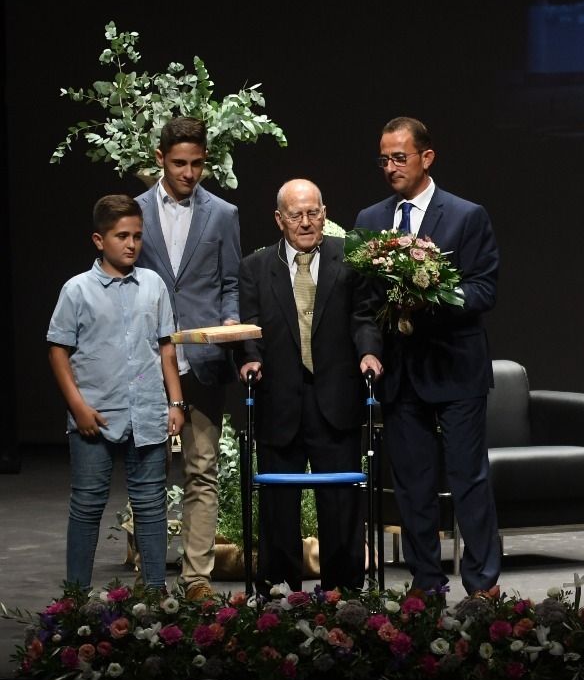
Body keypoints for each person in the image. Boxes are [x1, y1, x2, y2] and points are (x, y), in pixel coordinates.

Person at [354, 117, 502, 596]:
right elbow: (366, 305)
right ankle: (427, 583)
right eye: (384, 158)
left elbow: (484, 289)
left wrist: (434, 295)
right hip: (402, 375)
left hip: (455, 367)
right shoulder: (371, 221)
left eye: (400, 157)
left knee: (468, 479)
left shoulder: (465, 215)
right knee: (413, 487)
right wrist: (371, 352)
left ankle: (482, 585)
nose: (390, 167)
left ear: (426, 158)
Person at [238, 180, 384, 592]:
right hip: (277, 398)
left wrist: (369, 353)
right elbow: (248, 327)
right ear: (279, 219)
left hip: (334, 398)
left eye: (313, 213)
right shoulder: (255, 266)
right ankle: (280, 586)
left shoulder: (350, 260)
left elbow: (364, 318)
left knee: (340, 504)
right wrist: (248, 357)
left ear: (324, 213)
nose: (306, 223)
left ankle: (345, 588)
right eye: (296, 215)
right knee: (277, 505)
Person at [46, 195, 186, 591]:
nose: (130, 244)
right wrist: (78, 407)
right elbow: (59, 350)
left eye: (137, 236)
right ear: (98, 239)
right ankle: (75, 599)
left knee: (151, 506)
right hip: (96, 413)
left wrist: (175, 402)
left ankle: (158, 594)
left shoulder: (153, 285)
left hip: (146, 413)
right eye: (121, 235)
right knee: (87, 505)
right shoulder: (77, 290)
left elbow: (166, 348)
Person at [135, 115, 241, 600]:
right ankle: (152, 577)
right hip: (148, 362)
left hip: (202, 361)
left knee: (202, 470)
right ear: (160, 159)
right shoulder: (134, 213)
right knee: (149, 472)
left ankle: (196, 578)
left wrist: (225, 330)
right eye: (179, 163)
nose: (189, 173)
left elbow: (230, 284)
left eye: (198, 164)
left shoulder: (222, 213)